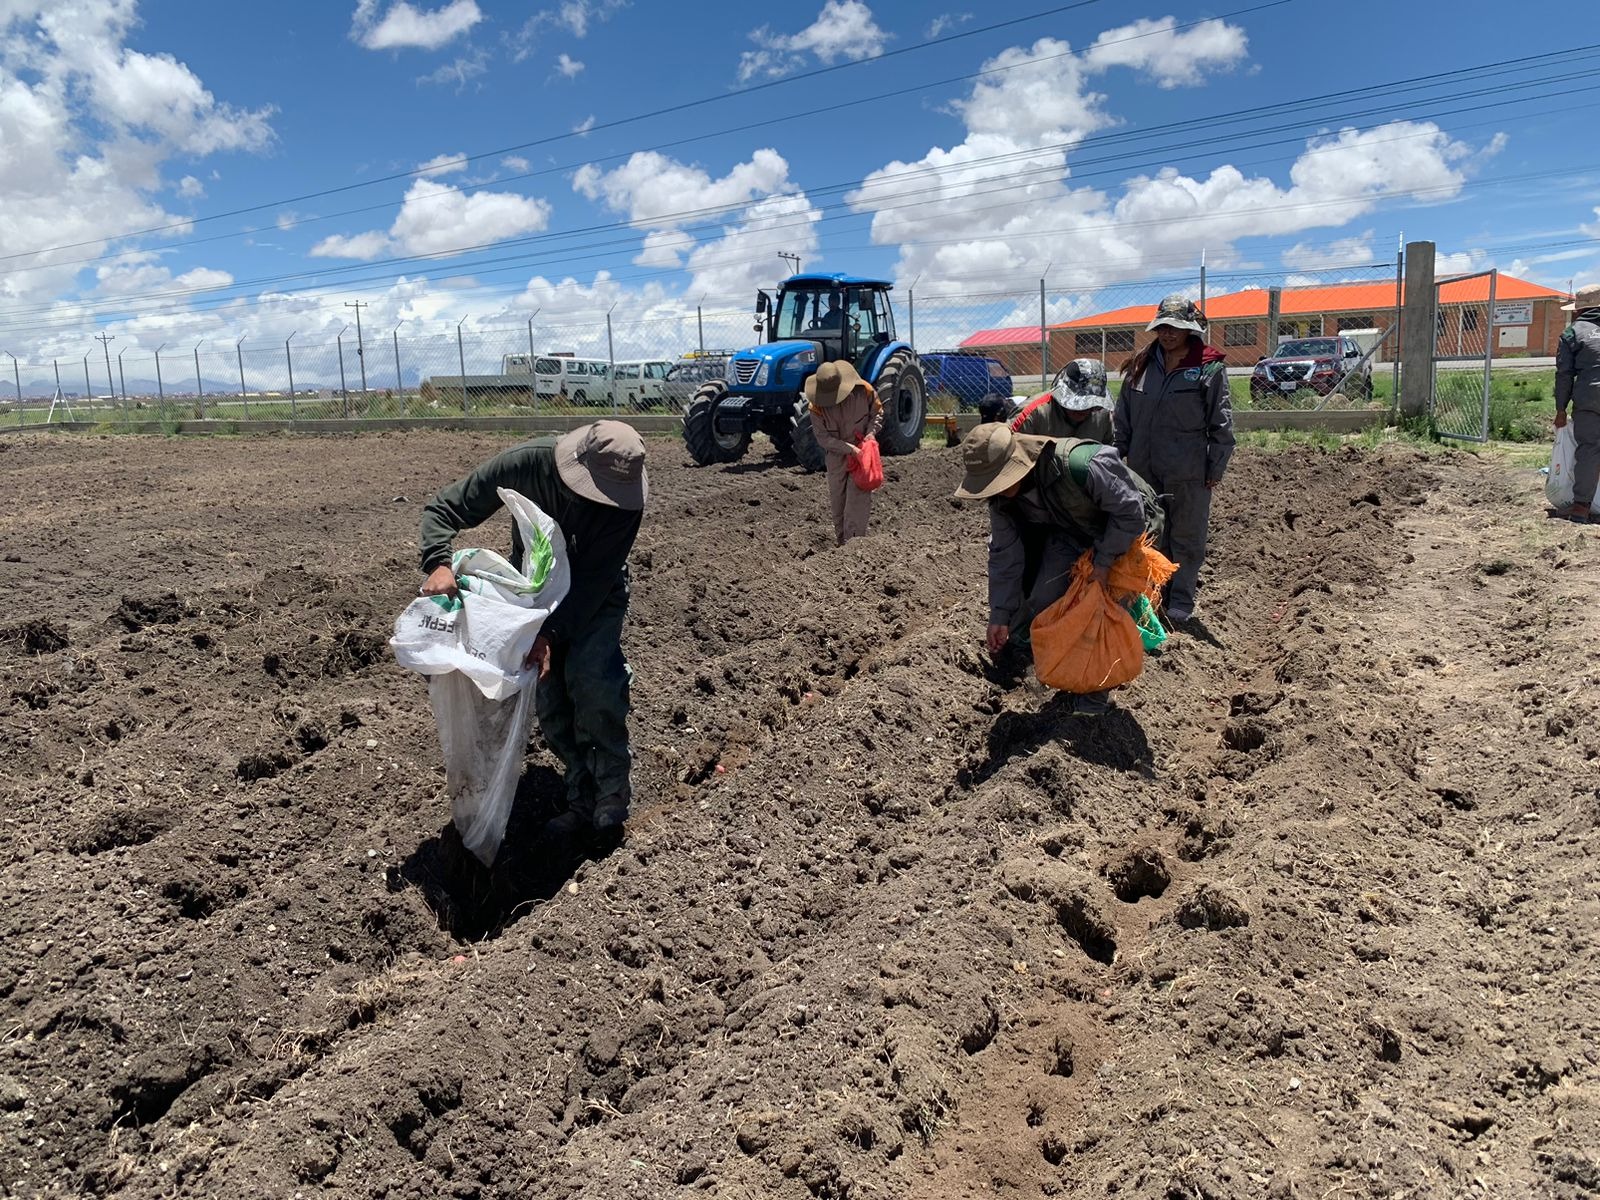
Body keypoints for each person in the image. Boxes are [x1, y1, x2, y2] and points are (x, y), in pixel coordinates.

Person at [417, 420, 647, 849]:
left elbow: (594, 581)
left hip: (594, 594)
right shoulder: (527, 465)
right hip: (533, 590)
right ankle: (580, 794)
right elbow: (444, 508)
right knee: (548, 694)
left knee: (592, 676)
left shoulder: (627, 506)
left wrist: (552, 636)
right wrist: (439, 562)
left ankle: (612, 787)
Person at [954, 422, 1162, 716]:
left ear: (1018, 464)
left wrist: (1102, 566)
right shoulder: (1002, 502)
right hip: (1070, 534)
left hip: (1124, 531)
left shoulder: (1081, 464)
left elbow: (1130, 514)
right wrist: (1000, 615)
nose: (995, 490)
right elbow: (1005, 556)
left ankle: (1094, 692)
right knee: (1043, 599)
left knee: (1096, 610)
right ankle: (1062, 667)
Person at [1113, 295, 1234, 624]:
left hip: (1188, 469)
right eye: (1163, 327)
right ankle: (1151, 596)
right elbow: (1123, 414)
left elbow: (1221, 423)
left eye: (1175, 328)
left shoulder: (1207, 368)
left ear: (1190, 330)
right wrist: (1117, 452)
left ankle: (1180, 600)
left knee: (1186, 536)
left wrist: (1215, 467)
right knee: (1148, 532)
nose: (1167, 334)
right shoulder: (1140, 364)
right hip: (1142, 469)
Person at [805, 360, 883, 546]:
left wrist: (870, 435)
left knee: (856, 503)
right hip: (837, 457)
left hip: (862, 454)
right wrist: (849, 449)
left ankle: (854, 546)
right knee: (838, 504)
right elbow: (823, 438)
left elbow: (877, 412)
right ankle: (842, 547)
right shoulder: (815, 406)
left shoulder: (864, 390)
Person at [1555, 283, 1600, 522]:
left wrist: (1561, 409)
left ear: (1579, 310)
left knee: (1590, 448)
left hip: (1589, 398)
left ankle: (1581, 507)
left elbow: (1564, 374)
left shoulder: (1572, 332)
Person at [1012, 358, 1114, 442]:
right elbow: (1007, 455)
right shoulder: (1033, 414)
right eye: (1077, 403)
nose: (1083, 410)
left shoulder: (1103, 415)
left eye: (1091, 403)